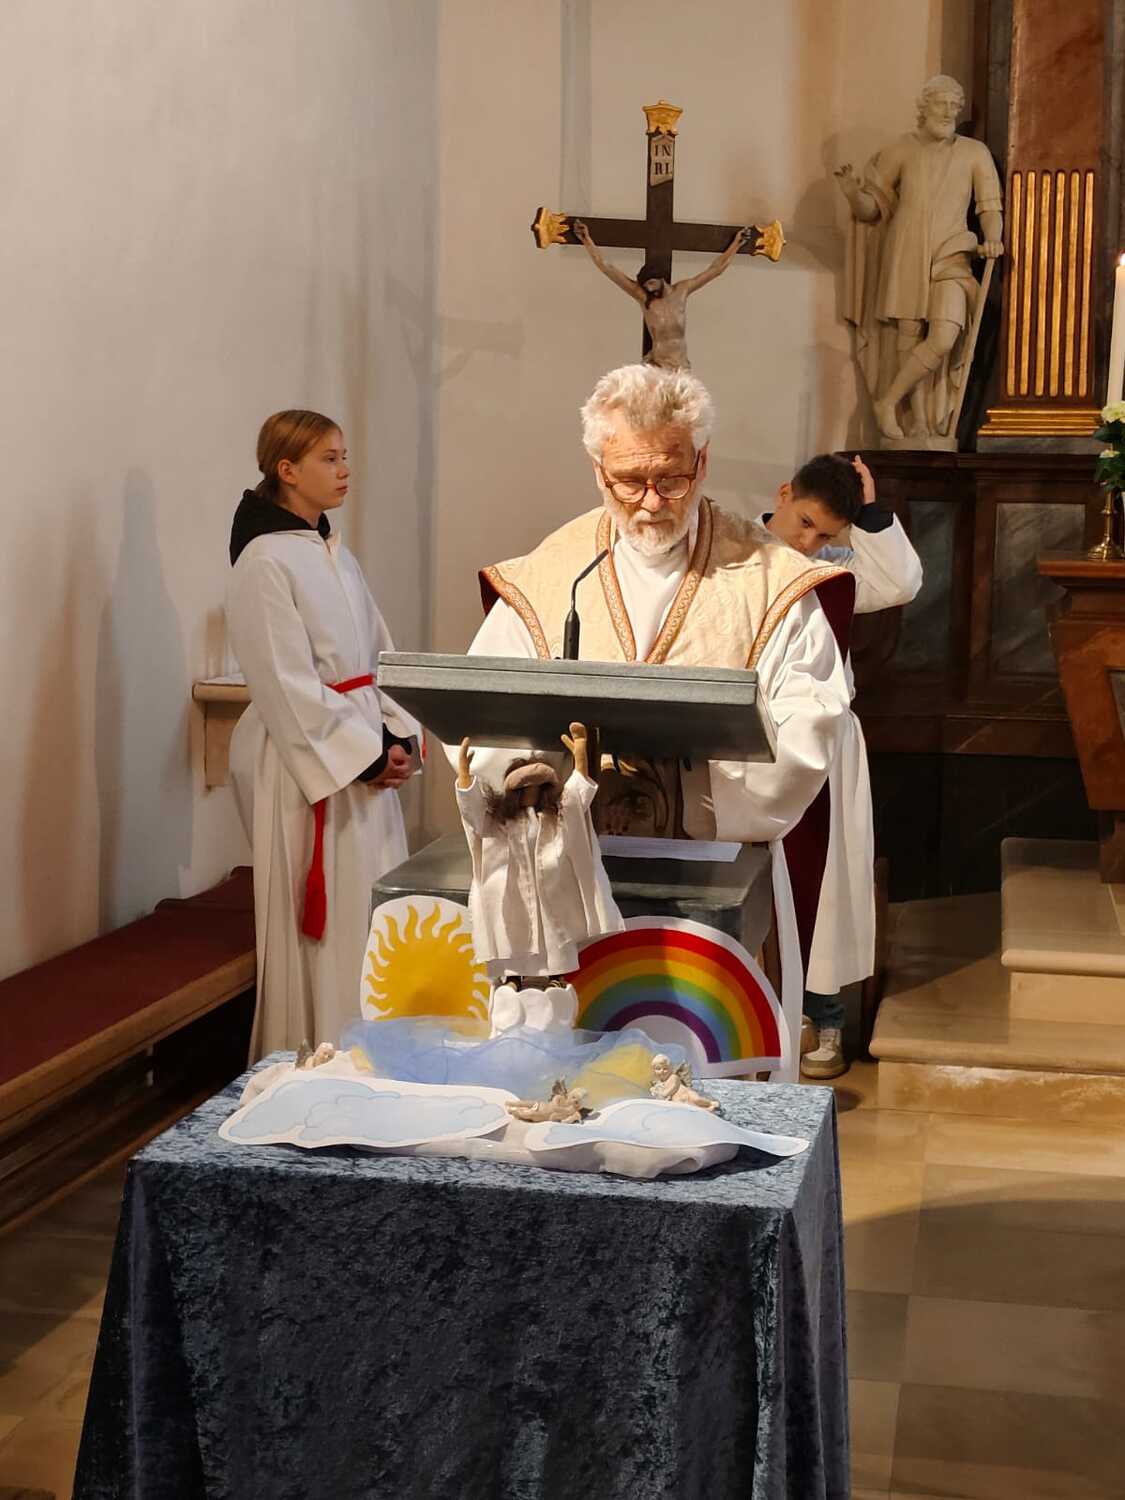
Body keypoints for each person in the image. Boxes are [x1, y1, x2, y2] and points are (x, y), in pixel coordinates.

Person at [455, 364, 856, 1075]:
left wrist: (688, 781)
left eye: (670, 479)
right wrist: (519, 771)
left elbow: (810, 724)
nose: (649, 502)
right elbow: (486, 710)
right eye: (628, 481)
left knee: (704, 1084)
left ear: (702, 462)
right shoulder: (550, 574)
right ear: (597, 470)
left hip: (710, 879)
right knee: (571, 1088)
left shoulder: (771, 580)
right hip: (569, 877)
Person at [227, 410, 421, 1060]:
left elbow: (380, 655)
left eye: (344, 457)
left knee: (369, 917)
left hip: (362, 755)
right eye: (328, 459)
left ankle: (373, 1052)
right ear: (287, 470)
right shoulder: (263, 561)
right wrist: (365, 756)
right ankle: (318, 1055)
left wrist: (399, 735)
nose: (344, 471)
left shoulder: (336, 553)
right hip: (310, 769)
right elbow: (283, 682)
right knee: (328, 929)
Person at [761, 452, 922, 1078]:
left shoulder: (833, 570)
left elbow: (901, 583)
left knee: (821, 882)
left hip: (823, 743)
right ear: (783, 493)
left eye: (826, 533)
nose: (809, 542)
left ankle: (823, 1018)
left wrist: (872, 514)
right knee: (759, 882)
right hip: (747, 738)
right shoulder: (732, 556)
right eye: (804, 523)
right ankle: (754, 1013)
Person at [836, 74, 1003, 441]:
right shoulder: (900, 151)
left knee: (944, 335)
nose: (949, 112)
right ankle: (920, 422)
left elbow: (989, 206)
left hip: (952, 254)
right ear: (924, 107)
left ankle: (888, 400)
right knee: (908, 335)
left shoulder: (974, 153)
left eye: (955, 106)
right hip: (906, 251)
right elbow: (871, 210)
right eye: (942, 104)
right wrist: (852, 193)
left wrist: (992, 238)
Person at [573, 220, 751, 370]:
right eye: (645, 286)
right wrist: (586, 239)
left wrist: (736, 244)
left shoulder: (682, 290)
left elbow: (715, 269)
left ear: (660, 278)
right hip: (658, 366)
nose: (649, 289)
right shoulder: (644, 298)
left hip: (680, 366)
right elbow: (608, 268)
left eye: (651, 283)